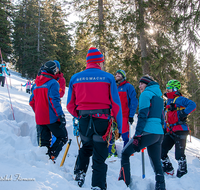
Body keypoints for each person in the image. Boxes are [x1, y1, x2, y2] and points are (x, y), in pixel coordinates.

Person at [67, 47, 122, 190]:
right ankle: (97, 186)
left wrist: (78, 114)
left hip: (84, 120)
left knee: (86, 148)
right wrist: (120, 126)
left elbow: (69, 104)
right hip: (102, 121)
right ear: (99, 62)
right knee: (99, 153)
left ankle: (79, 175)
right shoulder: (108, 77)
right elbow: (116, 104)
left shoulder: (75, 78)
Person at [118, 75, 166, 190]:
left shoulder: (146, 94)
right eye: (139, 84)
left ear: (147, 84)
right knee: (156, 162)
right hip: (158, 134)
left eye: (141, 84)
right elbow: (162, 117)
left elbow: (143, 116)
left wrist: (138, 135)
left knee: (125, 153)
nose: (139, 86)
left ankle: (124, 183)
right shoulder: (159, 97)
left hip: (148, 132)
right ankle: (161, 186)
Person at [29, 60, 68, 162]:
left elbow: (31, 101)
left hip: (40, 118)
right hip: (51, 118)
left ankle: (44, 161)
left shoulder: (36, 84)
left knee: (44, 143)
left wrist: (38, 111)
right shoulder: (53, 83)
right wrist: (61, 115)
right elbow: (55, 101)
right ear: (53, 70)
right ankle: (51, 156)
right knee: (63, 136)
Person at [161, 79, 196, 178]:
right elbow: (166, 116)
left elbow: (193, 105)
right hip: (170, 131)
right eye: (167, 87)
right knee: (161, 151)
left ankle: (182, 173)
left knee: (179, 154)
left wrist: (184, 113)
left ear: (174, 89)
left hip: (180, 130)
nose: (167, 89)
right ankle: (168, 169)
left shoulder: (180, 99)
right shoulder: (167, 101)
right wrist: (164, 128)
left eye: (169, 88)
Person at [115, 69, 138, 146]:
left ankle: (126, 150)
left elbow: (134, 102)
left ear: (123, 76)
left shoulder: (128, 86)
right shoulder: (114, 87)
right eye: (116, 74)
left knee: (125, 134)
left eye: (119, 74)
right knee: (112, 133)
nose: (117, 75)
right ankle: (111, 151)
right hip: (114, 115)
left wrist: (131, 115)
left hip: (124, 115)